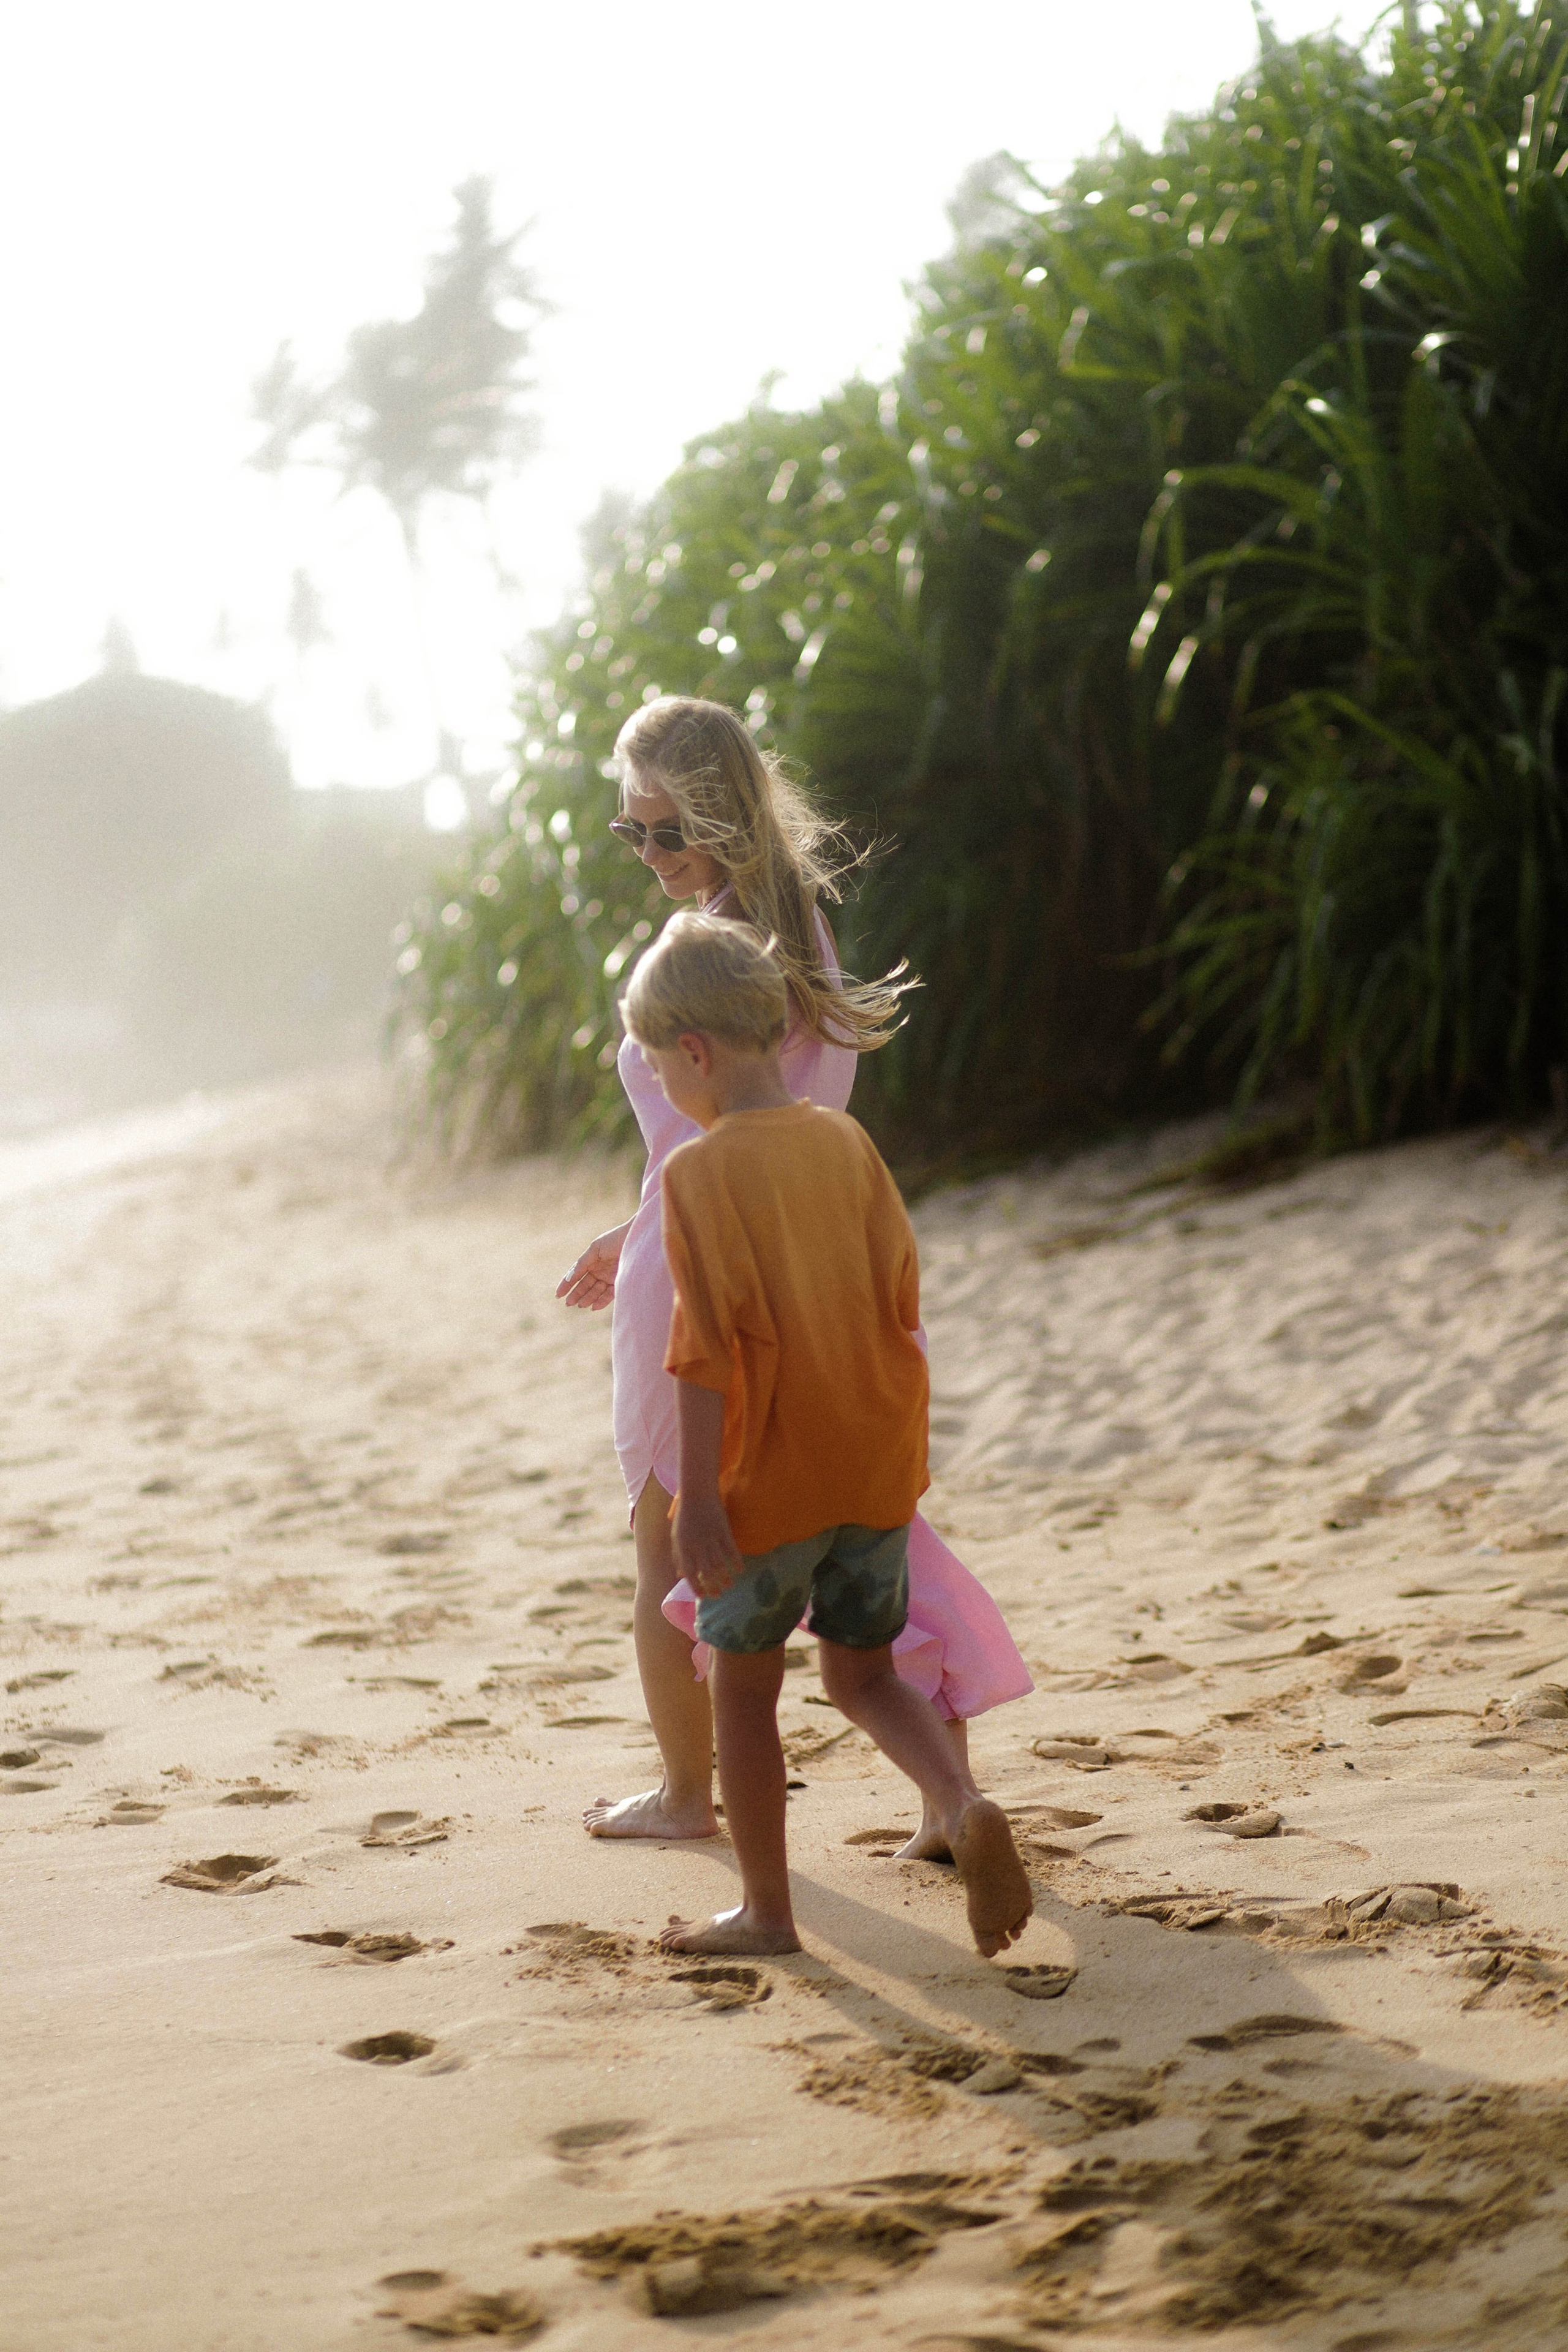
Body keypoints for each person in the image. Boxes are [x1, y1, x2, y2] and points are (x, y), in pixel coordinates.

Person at [557, 696, 1032, 1847]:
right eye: (634, 835)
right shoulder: (798, 930)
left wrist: (650, 1241)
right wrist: (630, 1234)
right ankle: (945, 1800)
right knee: (868, 1524)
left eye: (668, 831)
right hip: (805, 1259)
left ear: (721, 815)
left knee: (671, 1544)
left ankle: (686, 1795)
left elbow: (712, 1139)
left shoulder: (718, 952)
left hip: (705, 1264)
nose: (652, 856)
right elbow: (775, 1129)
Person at [620, 911, 1033, 1958]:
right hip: (874, 1465)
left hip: (772, 1484)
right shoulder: (846, 1143)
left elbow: (704, 1352)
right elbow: (902, 1299)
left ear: (696, 1052)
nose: (664, 1090)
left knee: (747, 1696)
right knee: (866, 1676)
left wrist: (701, 1501)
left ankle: (765, 1912)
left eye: (660, 1070)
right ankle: (958, 1798)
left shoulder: (698, 1175)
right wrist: (896, 1449)